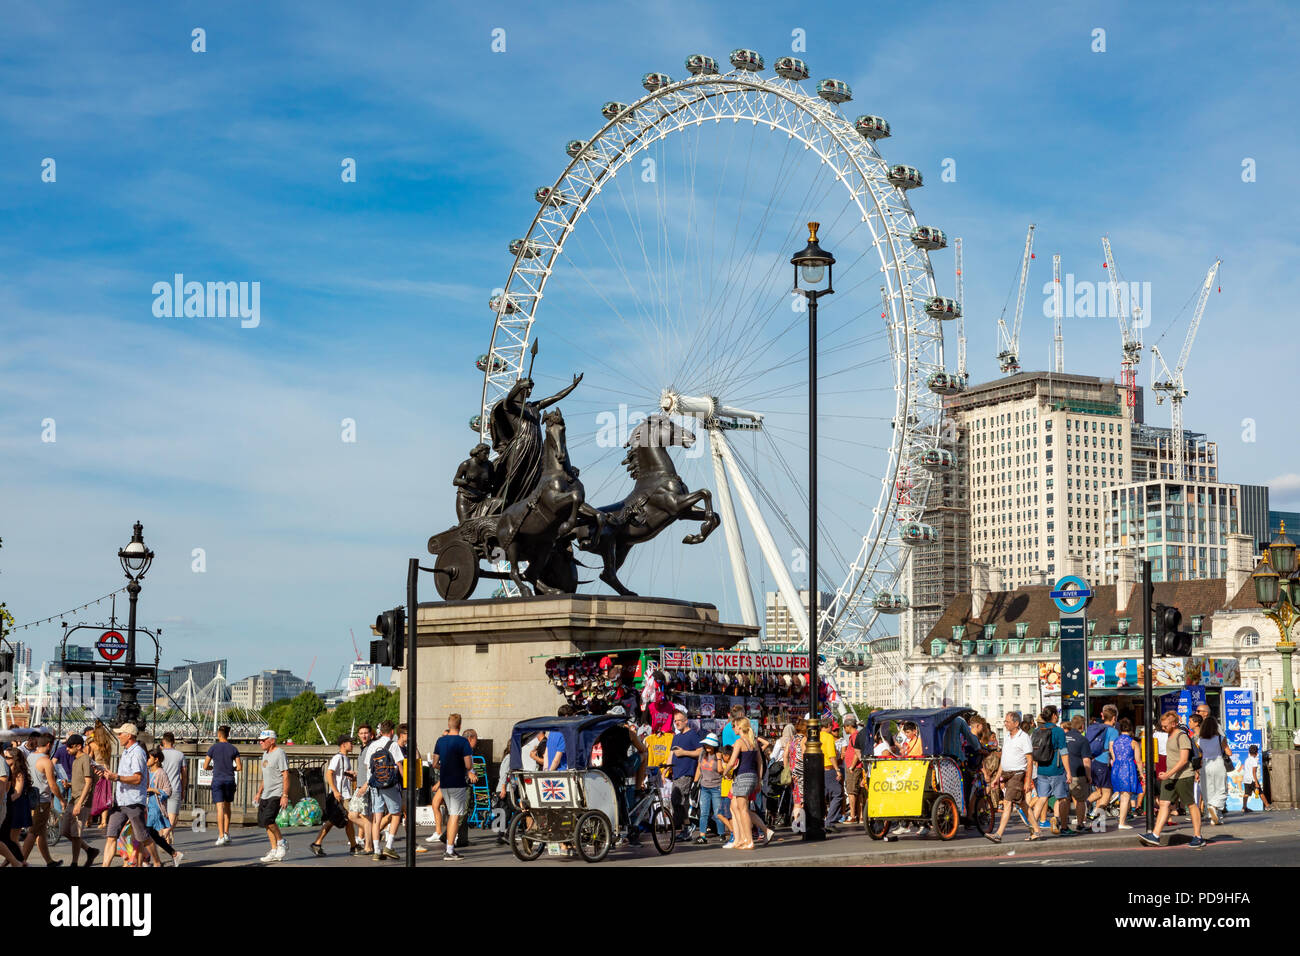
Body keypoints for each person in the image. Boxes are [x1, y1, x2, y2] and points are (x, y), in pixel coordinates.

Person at [1139, 711, 1204, 849]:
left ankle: (1198, 836)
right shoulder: (1169, 735)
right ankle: (1155, 835)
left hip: (1183, 776)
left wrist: (1169, 773)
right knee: (1164, 803)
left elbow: (1184, 760)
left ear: (1174, 724)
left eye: (1165, 726)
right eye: (1162, 726)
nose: (1163, 728)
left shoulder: (1182, 736)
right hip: (1170, 776)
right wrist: (1167, 773)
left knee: (1191, 804)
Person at [97, 723, 155, 867]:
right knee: (111, 835)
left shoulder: (137, 753)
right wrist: (107, 775)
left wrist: (116, 777)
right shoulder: (127, 751)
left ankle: (157, 861)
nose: (118, 736)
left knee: (142, 837)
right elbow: (121, 776)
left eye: (120, 734)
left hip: (133, 801)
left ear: (129, 736)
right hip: (121, 801)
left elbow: (137, 778)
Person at [987, 710, 1039, 844]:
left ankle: (998, 834)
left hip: (1017, 774)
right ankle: (1037, 830)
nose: (1005, 724)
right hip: (1007, 775)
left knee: (1007, 802)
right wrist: (996, 778)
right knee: (1023, 804)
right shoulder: (1007, 737)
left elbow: (1029, 760)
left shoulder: (1024, 737)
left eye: (1007, 721)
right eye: (1005, 721)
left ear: (1016, 723)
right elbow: (1004, 761)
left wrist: (1027, 781)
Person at [430, 713, 476, 862]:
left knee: (452, 815)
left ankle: (449, 848)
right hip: (457, 782)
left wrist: (445, 767)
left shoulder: (440, 741)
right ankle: (449, 850)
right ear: (460, 725)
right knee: (455, 816)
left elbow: (435, 763)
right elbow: (469, 765)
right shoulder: (463, 742)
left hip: (445, 783)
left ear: (449, 725)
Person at [360, 720, 404, 861]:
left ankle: (377, 850)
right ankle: (389, 846)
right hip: (389, 785)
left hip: (375, 785)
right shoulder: (394, 745)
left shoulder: (372, 745)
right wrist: (407, 782)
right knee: (396, 813)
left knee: (376, 818)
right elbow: (399, 765)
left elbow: (368, 767)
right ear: (392, 732)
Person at [312, 734, 363, 856]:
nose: (352, 744)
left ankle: (317, 843)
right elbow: (329, 774)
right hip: (341, 795)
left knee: (337, 820)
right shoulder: (338, 758)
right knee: (348, 818)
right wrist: (335, 791)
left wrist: (350, 776)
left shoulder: (345, 758)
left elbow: (340, 775)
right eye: (350, 742)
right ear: (343, 744)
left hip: (343, 794)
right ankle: (354, 846)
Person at [21, 733, 62, 865]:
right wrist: (61, 799)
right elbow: (52, 785)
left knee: (42, 832)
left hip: (31, 799)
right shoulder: (46, 761)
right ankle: (20, 862)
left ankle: (49, 861)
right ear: (49, 745)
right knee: (33, 833)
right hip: (42, 801)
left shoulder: (29, 757)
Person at [1028, 707, 1069, 837]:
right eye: (1057, 714)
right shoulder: (1058, 731)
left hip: (1041, 769)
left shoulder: (1037, 730)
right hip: (1056, 769)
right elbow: (1064, 752)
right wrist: (1068, 771)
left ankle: (1033, 826)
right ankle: (1061, 825)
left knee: (1042, 797)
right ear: (1054, 716)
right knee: (1061, 798)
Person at [723, 717, 762, 850]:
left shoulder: (739, 742)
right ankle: (745, 839)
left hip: (742, 777)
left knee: (743, 810)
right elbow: (760, 763)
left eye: (734, 726)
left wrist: (724, 772)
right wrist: (759, 780)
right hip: (752, 776)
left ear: (740, 727)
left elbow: (732, 760)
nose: (733, 728)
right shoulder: (754, 742)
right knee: (742, 809)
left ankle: (749, 840)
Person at [61, 734, 99, 867]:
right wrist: (70, 785)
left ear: (78, 746)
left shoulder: (85, 759)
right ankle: (90, 850)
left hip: (81, 802)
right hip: (73, 799)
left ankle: (74, 862)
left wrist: (79, 804)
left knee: (76, 834)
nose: (67, 749)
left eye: (70, 747)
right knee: (64, 831)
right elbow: (82, 781)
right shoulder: (76, 760)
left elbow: (88, 783)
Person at [254, 729, 289, 863]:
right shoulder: (265, 754)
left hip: (276, 792)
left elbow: (286, 775)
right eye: (260, 740)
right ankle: (274, 850)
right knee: (264, 822)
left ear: (272, 740)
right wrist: (259, 792)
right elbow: (265, 776)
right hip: (266, 793)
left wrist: (284, 795)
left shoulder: (279, 753)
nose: (261, 742)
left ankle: (281, 841)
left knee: (269, 819)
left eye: (263, 740)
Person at [143, 747, 183, 866]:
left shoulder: (161, 772)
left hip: (155, 807)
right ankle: (174, 854)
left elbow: (168, 790)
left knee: (147, 832)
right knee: (152, 834)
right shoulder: (148, 772)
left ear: (156, 759)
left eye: (149, 757)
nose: (146, 760)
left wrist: (154, 790)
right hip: (148, 806)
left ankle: (147, 859)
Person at [203, 724, 242, 847]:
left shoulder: (213, 748)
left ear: (219, 735)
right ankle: (226, 833)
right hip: (229, 780)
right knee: (227, 807)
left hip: (218, 780)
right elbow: (240, 767)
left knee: (219, 808)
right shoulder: (233, 748)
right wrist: (231, 768)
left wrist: (213, 767)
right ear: (228, 735)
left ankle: (220, 836)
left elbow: (205, 766)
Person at [668, 709, 702, 839]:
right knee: (676, 802)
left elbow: (700, 751)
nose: (676, 723)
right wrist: (665, 770)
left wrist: (684, 753)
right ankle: (685, 828)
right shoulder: (676, 737)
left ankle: (688, 827)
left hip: (686, 773)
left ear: (686, 721)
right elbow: (671, 754)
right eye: (675, 721)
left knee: (679, 801)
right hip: (676, 774)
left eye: (679, 721)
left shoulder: (692, 734)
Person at [1196, 715, 1232, 825]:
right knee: (1221, 789)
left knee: (1208, 790)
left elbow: (1199, 755)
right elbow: (1229, 752)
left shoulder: (1199, 740)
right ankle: (1215, 806)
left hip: (1205, 765)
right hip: (1218, 763)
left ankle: (1215, 817)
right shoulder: (1220, 738)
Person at [1108, 718, 1143, 829]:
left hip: (1116, 768)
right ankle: (1122, 822)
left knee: (1122, 795)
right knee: (1126, 796)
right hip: (1127, 768)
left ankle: (1123, 818)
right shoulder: (1133, 742)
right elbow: (1138, 760)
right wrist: (1141, 773)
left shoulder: (1115, 741)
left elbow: (1114, 755)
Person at [1086, 705, 1120, 820]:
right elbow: (1111, 748)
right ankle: (1095, 815)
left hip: (1093, 761)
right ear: (1114, 718)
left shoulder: (1097, 728)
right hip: (1103, 763)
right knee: (1107, 792)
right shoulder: (1113, 731)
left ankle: (1086, 806)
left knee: (1099, 792)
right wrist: (1116, 762)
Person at [1061, 715, 1091, 834]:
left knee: (1064, 800)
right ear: (1082, 726)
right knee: (1080, 800)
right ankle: (1080, 824)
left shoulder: (1063, 737)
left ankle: (1063, 825)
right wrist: (1089, 775)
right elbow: (1086, 760)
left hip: (1063, 773)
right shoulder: (1082, 739)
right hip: (1077, 774)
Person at [1, 747, 30, 866]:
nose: (5, 759)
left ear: (14, 758)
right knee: (8, 839)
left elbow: (17, 792)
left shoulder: (19, 773)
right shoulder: (7, 770)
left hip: (17, 806)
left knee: (13, 838)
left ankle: (21, 862)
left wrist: (5, 800)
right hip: (9, 805)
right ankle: (17, 861)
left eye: (7, 757)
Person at [694, 733, 724, 843]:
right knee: (704, 812)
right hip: (704, 787)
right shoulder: (702, 754)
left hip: (717, 787)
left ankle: (721, 833)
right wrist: (695, 783)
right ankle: (702, 835)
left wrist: (720, 759)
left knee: (717, 813)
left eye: (709, 745)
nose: (707, 747)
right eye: (706, 744)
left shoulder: (718, 755)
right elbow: (698, 768)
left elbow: (721, 771)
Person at [158, 732, 186, 848]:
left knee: (162, 816)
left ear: (163, 742)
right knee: (172, 819)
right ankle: (165, 836)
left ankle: (163, 837)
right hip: (175, 788)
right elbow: (184, 774)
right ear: (173, 741)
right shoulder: (180, 755)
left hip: (161, 789)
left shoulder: (159, 755)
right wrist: (183, 789)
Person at [842, 717, 862, 825]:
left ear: (849, 726)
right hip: (854, 767)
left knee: (851, 791)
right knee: (855, 792)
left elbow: (857, 752)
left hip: (853, 768)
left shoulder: (855, 736)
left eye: (844, 727)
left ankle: (852, 816)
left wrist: (852, 766)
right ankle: (859, 815)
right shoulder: (854, 736)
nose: (844, 729)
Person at [1242, 744, 1271, 811]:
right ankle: (1267, 806)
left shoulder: (1247, 760)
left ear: (1249, 752)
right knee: (1260, 792)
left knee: (1246, 793)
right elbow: (1254, 772)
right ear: (1257, 753)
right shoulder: (1254, 761)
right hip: (1252, 779)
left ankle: (1244, 807)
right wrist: (1256, 782)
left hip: (1246, 779)